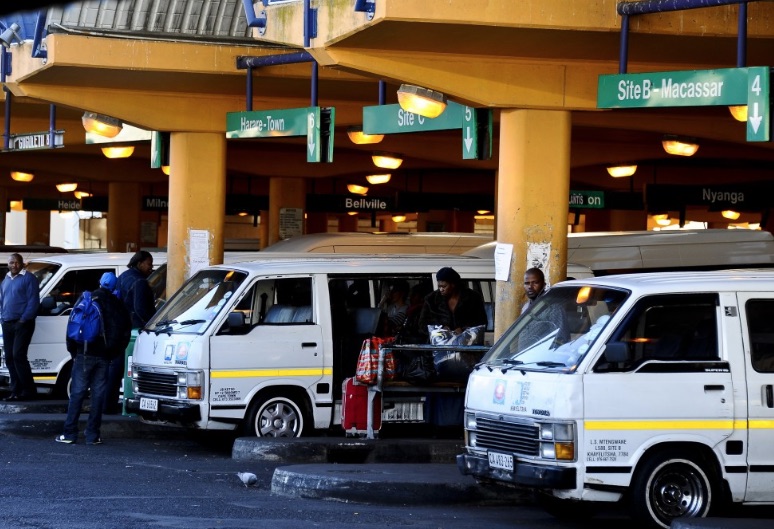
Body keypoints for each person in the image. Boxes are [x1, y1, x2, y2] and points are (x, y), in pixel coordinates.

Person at [56, 272, 131, 444]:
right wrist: (113, 353)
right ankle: (92, 435)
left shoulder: (88, 299)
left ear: (100, 282)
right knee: (98, 396)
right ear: (114, 286)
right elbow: (125, 333)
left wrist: (74, 352)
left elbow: (72, 326)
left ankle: (69, 434)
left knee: (77, 394)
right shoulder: (118, 305)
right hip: (104, 357)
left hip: (84, 353)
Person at [104, 250, 156, 414]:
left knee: (116, 367)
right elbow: (140, 309)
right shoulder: (140, 282)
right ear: (140, 263)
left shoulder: (124, 276)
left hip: (120, 326)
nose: (151, 267)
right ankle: (128, 405)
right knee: (128, 366)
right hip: (134, 329)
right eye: (149, 263)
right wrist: (152, 324)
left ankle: (108, 404)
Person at [0, 253, 40, 401]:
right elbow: (2, 299)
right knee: (9, 357)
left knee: (18, 356)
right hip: (7, 322)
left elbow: (33, 302)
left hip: (23, 323)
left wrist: (23, 320)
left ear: (22, 263)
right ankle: (15, 391)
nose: (14, 265)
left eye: (17, 262)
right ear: (8, 264)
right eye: (11, 263)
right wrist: (3, 317)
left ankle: (29, 391)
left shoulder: (29, 278)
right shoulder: (6, 279)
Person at [418, 267, 487, 340]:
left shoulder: (473, 298)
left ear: (453, 284)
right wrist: (441, 328)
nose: (441, 289)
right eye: (439, 286)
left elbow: (482, 322)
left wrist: (463, 329)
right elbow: (422, 324)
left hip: (467, 344)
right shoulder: (431, 299)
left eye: (444, 286)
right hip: (440, 345)